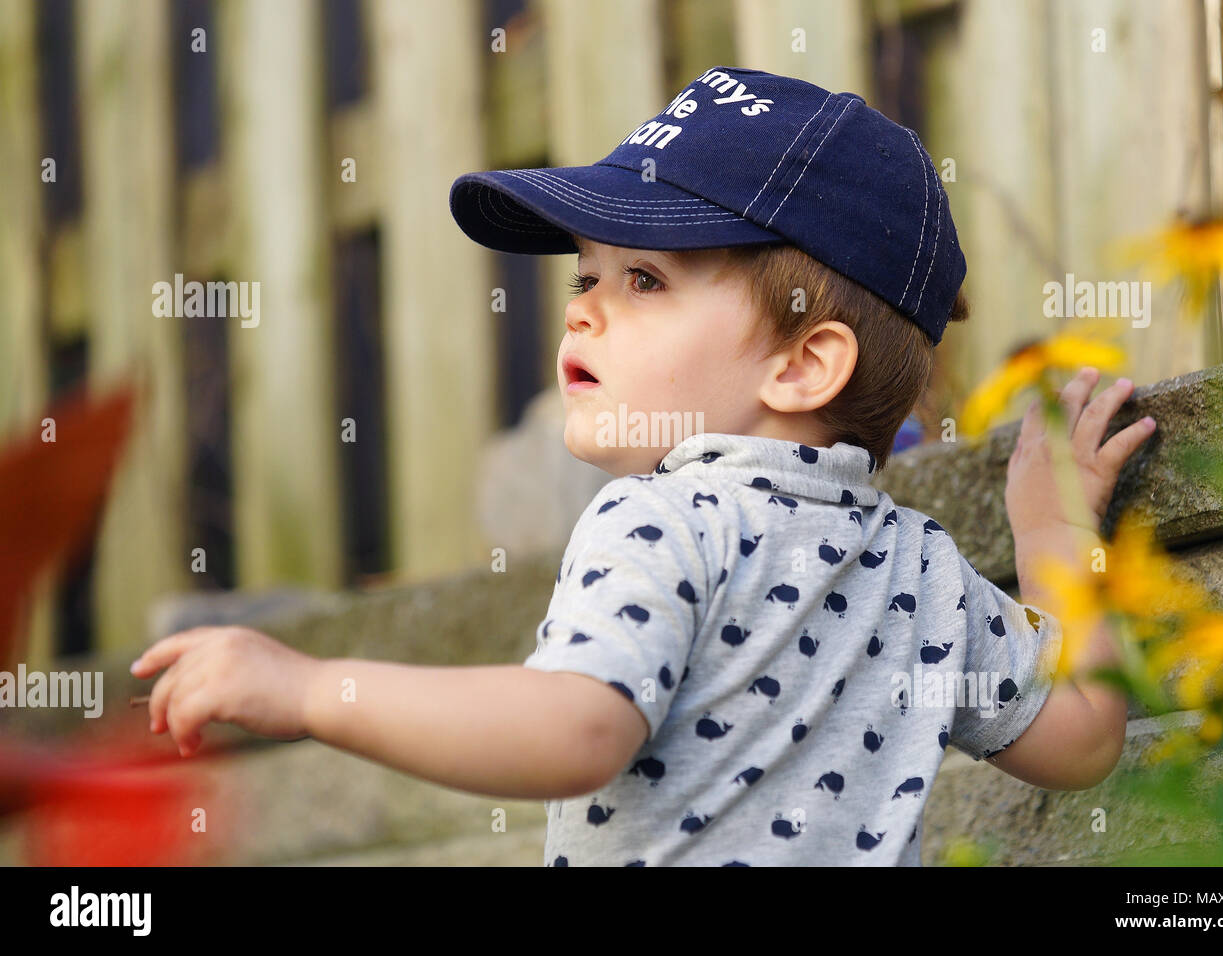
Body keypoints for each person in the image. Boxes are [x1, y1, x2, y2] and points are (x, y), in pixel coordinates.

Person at [130, 67, 1157, 865]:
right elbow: (1079, 740)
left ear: (804, 362)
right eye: (586, 273)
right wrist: (1057, 540)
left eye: (643, 277)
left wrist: (315, 690)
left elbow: (577, 727)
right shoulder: (923, 568)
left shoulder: (665, 519)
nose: (581, 306)